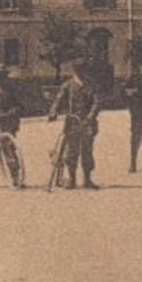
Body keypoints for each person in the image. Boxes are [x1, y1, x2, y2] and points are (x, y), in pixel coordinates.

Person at [47, 59, 102, 189]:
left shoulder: (91, 86)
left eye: (84, 70)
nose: (81, 73)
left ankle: (87, 179)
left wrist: (90, 116)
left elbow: (97, 103)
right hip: (72, 123)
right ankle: (72, 179)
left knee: (87, 151)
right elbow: (59, 100)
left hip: (88, 124)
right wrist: (53, 111)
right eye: (78, 70)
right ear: (74, 71)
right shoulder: (68, 85)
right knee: (71, 151)